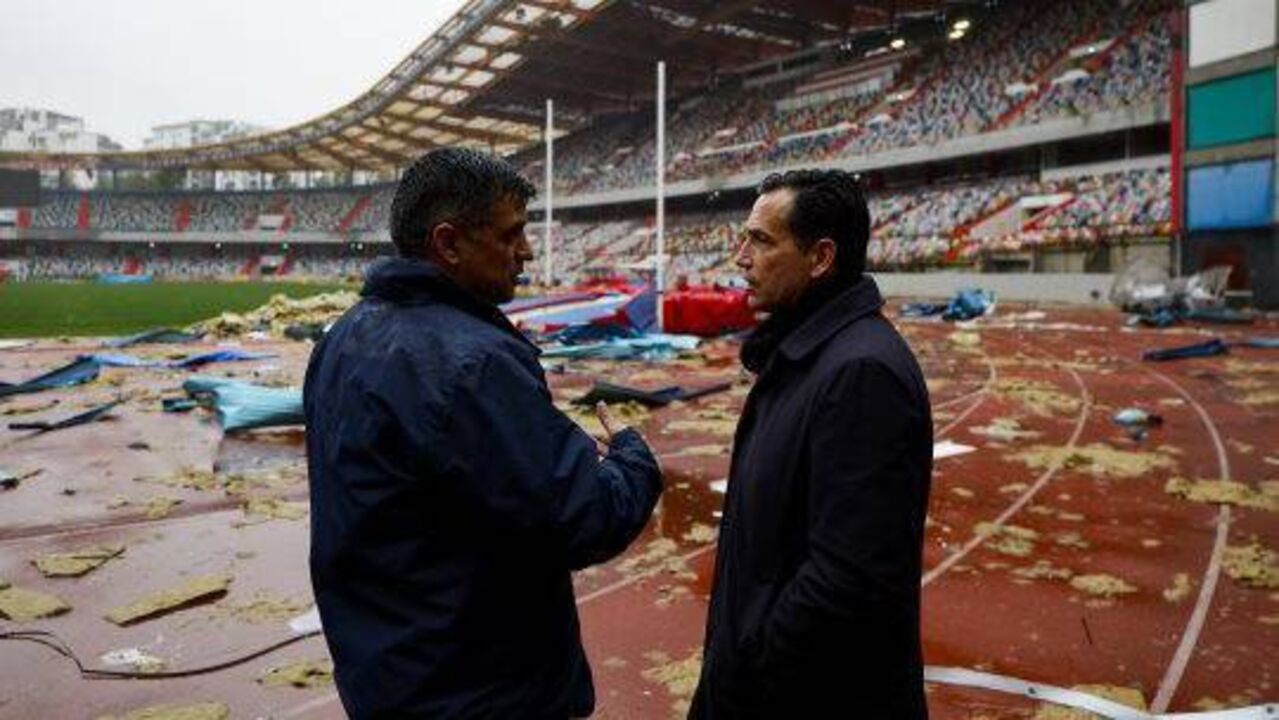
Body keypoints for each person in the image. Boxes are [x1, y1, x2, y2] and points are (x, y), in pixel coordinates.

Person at [304, 148, 663, 719]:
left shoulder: (343, 338)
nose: (526, 252)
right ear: (448, 243)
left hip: (386, 672)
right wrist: (632, 455)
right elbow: (585, 518)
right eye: (511, 234)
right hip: (481, 687)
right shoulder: (474, 364)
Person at [689, 169, 933, 719]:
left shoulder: (861, 373)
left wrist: (750, 670)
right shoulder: (805, 355)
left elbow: (847, 579)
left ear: (820, 258)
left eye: (761, 240)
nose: (740, 258)